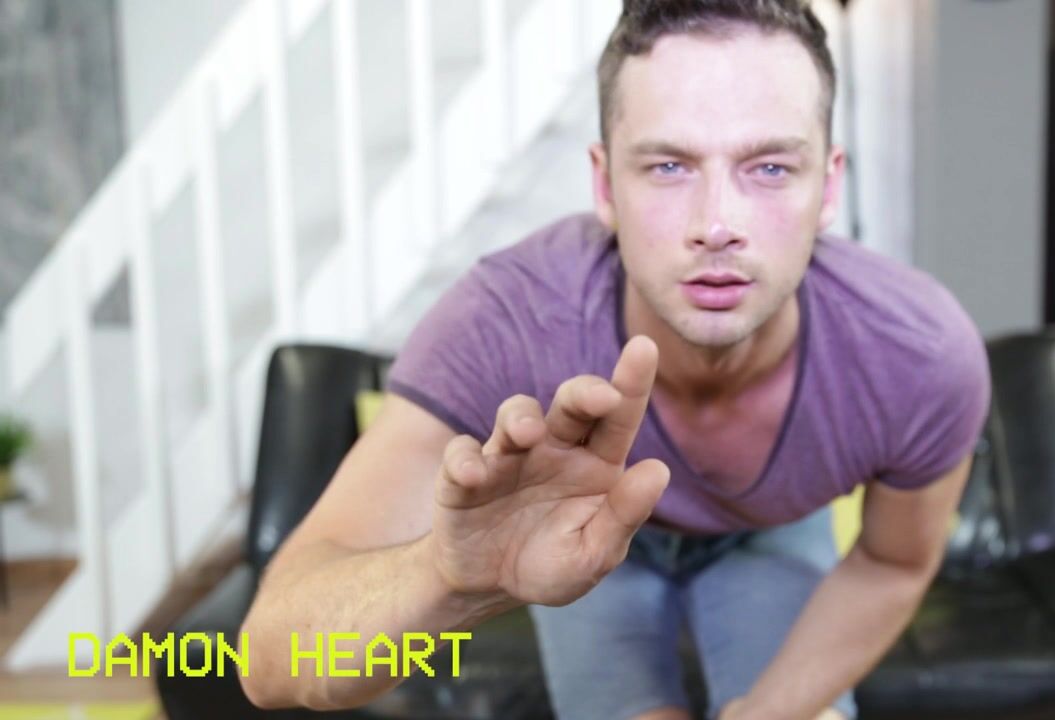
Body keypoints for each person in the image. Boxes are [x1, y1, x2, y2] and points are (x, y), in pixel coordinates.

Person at [238, 1, 991, 718]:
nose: (717, 224)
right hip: (584, 529)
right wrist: (446, 574)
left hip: (773, 532)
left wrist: (768, 711)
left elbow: (893, 564)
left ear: (827, 186)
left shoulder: (918, 354)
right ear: (605, 185)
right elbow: (269, 658)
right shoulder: (508, 320)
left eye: (768, 168)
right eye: (668, 166)